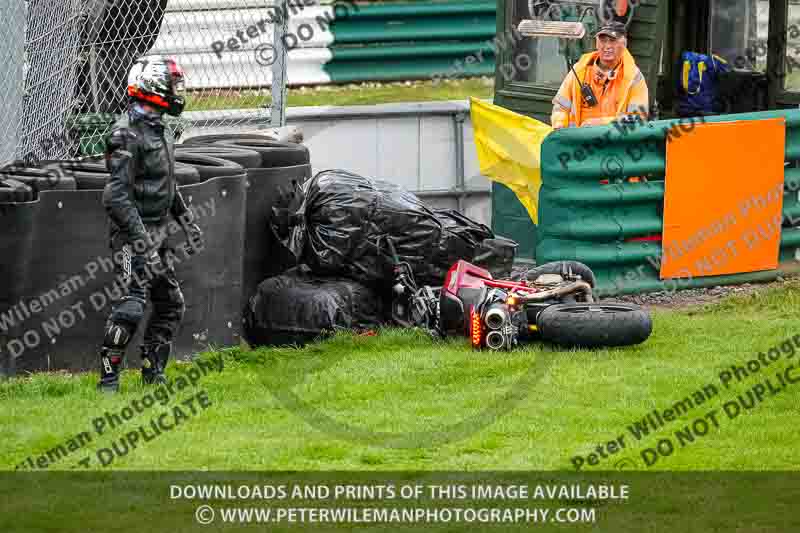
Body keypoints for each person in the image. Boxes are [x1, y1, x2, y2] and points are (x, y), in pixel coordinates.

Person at [97, 55, 203, 393]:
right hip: (132, 236)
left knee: (171, 303)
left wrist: (186, 221)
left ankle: (152, 373)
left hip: (157, 235)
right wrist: (143, 241)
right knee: (132, 303)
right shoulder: (125, 135)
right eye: (174, 84)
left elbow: (166, 185)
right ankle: (108, 381)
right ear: (153, 87)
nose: (178, 91)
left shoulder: (161, 130)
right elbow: (115, 198)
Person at [551, 21, 649, 129]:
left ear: (624, 44)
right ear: (596, 44)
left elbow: (637, 119)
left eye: (612, 41)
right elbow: (560, 107)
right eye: (603, 41)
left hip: (613, 144)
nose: (607, 46)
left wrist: (601, 123)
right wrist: (559, 125)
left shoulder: (633, 77)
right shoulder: (579, 70)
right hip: (577, 142)